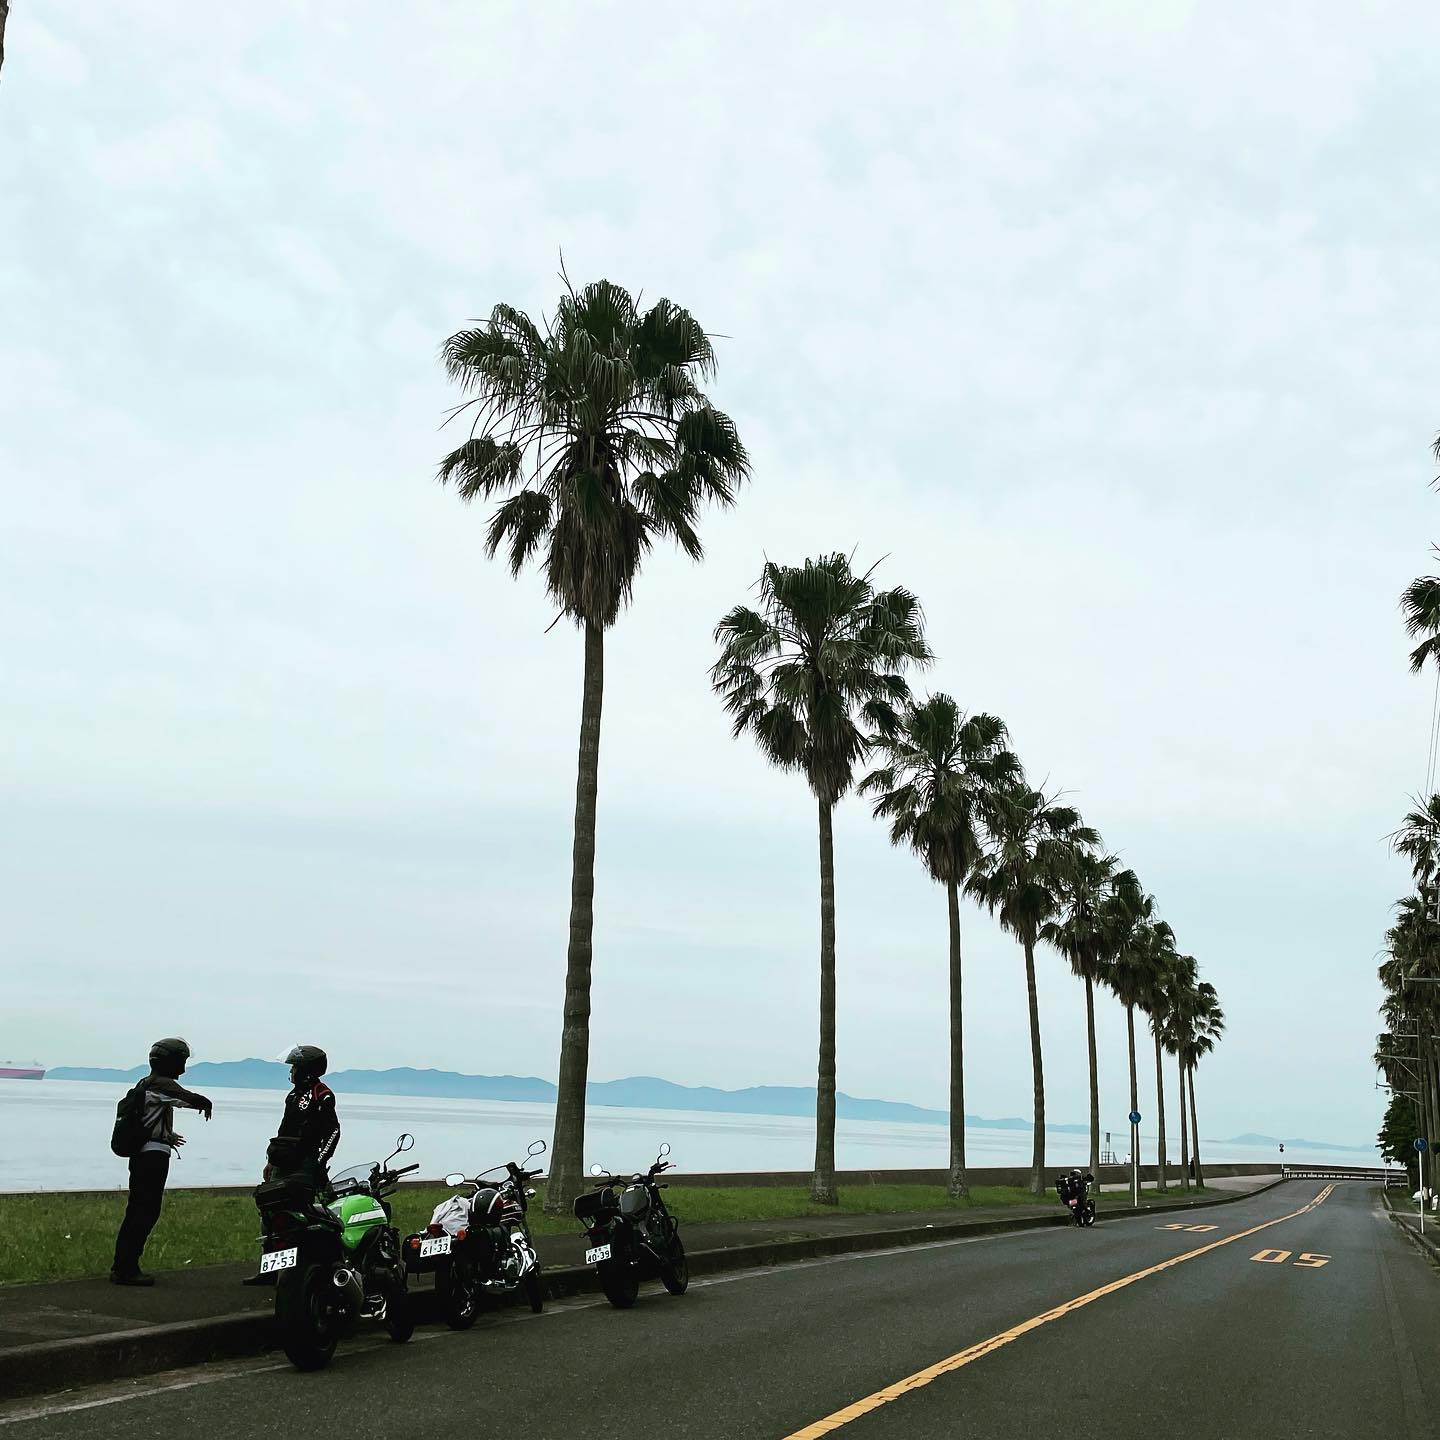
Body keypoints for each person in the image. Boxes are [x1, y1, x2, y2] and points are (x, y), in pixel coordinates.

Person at [111, 1038, 213, 1286]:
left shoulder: (145, 1083)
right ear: (173, 1061)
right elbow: (190, 1099)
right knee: (146, 1211)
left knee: (136, 1209)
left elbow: (149, 1116)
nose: (184, 1068)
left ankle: (123, 1265)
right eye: (183, 1061)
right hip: (152, 1157)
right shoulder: (162, 1084)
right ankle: (127, 1268)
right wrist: (206, 1103)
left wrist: (166, 1135)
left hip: (142, 1152)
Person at [242, 1044, 340, 1286]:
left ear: (306, 1069)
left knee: (301, 1215)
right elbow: (284, 1129)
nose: (292, 1071)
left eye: (295, 1067)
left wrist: (319, 1162)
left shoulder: (322, 1095)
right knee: (269, 1212)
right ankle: (269, 1268)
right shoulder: (292, 1095)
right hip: (282, 1162)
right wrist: (270, 1161)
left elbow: (333, 1131)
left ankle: (304, 1267)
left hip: (304, 1164)